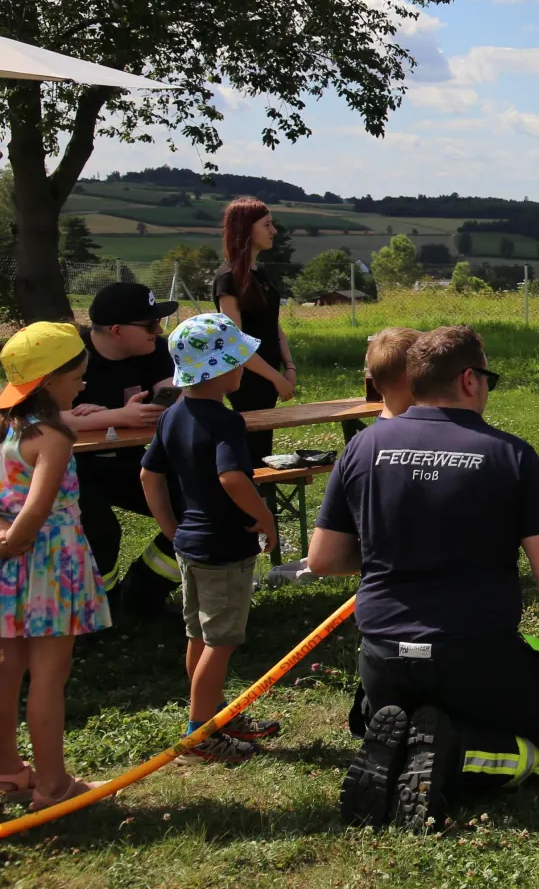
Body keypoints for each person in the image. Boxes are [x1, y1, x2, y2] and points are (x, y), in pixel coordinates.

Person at [308, 325, 539, 832]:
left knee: (404, 715)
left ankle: (400, 746)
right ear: (469, 380)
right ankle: (456, 751)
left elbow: (324, 559)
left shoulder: (363, 447)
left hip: (383, 660)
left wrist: (394, 552)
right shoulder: (511, 454)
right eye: (488, 378)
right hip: (473, 657)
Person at [140, 314, 283, 765]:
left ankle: (213, 715)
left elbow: (149, 474)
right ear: (220, 370)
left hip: (190, 544)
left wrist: (168, 526)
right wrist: (265, 518)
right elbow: (232, 478)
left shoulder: (172, 415)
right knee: (221, 641)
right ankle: (200, 735)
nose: (244, 367)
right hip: (224, 549)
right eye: (239, 359)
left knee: (199, 635)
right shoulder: (226, 422)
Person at [0, 323, 111, 809]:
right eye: (77, 377)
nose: (82, 385)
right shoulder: (55, 435)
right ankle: (52, 786)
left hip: (9, 568)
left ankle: (7, 769)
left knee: (8, 666)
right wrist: (13, 543)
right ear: (49, 381)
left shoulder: (8, 429)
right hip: (49, 564)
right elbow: (37, 510)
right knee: (49, 673)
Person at [265, 326, 420, 590]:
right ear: (414, 377)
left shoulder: (357, 449)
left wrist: (377, 558)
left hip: (382, 601)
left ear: (372, 379)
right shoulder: (450, 442)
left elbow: (324, 558)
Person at [62, 282, 182, 621]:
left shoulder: (154, 349)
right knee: (101, 532)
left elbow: (169, 391)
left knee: (198, 507)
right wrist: (117, 416)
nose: (158, 330)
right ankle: (101, 608)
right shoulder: (69, 354)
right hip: (72, 471)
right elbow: (25, 418)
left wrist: (173, 397)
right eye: (149, 324)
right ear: (116, 331)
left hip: (131, 463)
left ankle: (143, 593)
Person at [213, 197, 296, 468]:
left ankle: (264, 504)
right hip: (247, 380)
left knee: (263, 449)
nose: (274, 231)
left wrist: (289, 367)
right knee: (252, 454)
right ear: (246, 229)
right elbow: (234, 343)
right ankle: (252, 505)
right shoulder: (228, 279)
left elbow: (273, 324)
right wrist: (276, 378)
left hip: (269, 376)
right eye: (267, 225)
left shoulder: (260, 272)